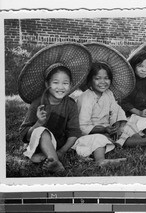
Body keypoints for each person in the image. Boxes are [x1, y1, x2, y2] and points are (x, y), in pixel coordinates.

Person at [72, 43, 146, 166]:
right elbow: (83, 126)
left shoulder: (108, 94)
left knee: (127, 127)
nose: (103, 82)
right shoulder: (85, 98)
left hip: (108, 128)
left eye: (106, 78)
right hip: (92, 132)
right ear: (90, 80)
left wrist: (118, 123)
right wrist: (103, 129)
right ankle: (100, 160)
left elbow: (117, 110)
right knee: (99, 140)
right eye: (98, 78)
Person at [19, 43, 92, 173]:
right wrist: (38, 123)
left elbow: (74, 132)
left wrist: (62, 151)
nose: (61, 87)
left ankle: (50, 157)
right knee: (42, 131)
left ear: (70, 85)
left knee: (39, 158)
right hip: (38, 142)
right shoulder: (38, 103)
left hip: (59, 143)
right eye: (55, 82)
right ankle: (55, 163)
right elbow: (25, 135)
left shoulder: (70, 104)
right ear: (47, 84)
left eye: (65, 83)